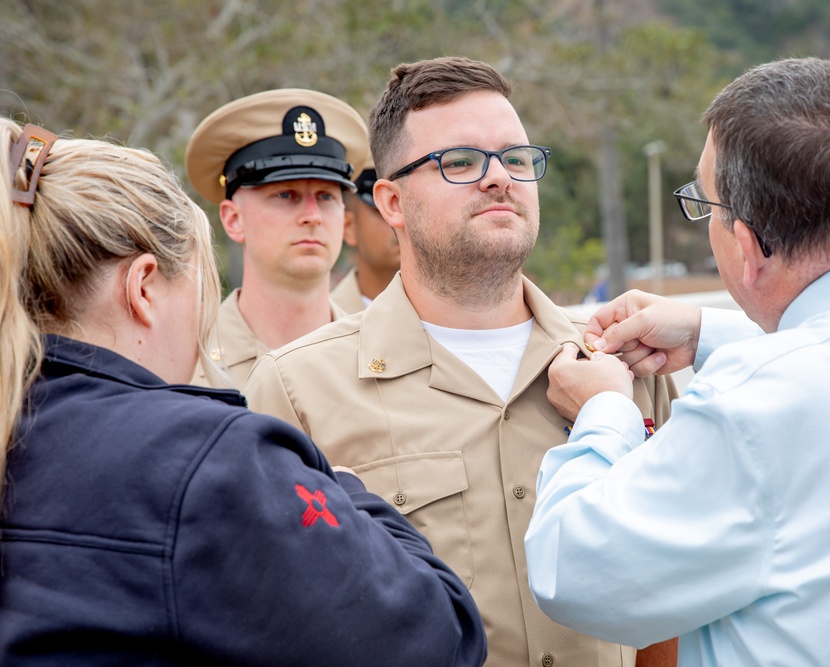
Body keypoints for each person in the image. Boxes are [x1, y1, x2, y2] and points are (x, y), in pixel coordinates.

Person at [524, 57, 830, 666]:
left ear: (747, 246)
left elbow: (576, 570)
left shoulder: (752, 407)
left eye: (706, 205)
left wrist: (602, 411)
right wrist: (709, 334)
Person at [0, 117, 486, 665]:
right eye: (197, 288)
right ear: (143, 288)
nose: (309, 214)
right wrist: (342, 490)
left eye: (327, 197)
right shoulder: (204, 455)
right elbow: (439, 636)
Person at [243, 56, 677, 666]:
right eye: (461, 162)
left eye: (516, 158)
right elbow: (281, 621)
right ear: (391, 202)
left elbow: (670, 598)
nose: (499, 178)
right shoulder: (299, 389)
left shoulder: (624, 356)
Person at [185, 88, 368, 387]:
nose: (313, 215)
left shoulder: (386, 354)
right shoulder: (185, 361)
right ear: (234, 219)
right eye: (286, 195)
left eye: (325, 196)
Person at [330, 156, 400, 313]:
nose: (401, 219)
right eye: (383, 209)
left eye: (409, 207)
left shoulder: (458, 319)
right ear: (348, 227)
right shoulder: (322, 323)